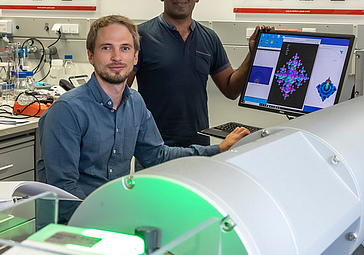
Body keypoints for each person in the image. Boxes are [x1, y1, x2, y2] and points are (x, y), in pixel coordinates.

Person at [36, 15, 249, 222]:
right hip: (68, 230)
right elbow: (63, 192)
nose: (117, 57)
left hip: (109, 216)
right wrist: (113, 225)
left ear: (136, 57)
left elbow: (157, 155)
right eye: (106, 48)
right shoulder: (67, 110)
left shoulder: (134, 103)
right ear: (91, 56)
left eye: (125, 48)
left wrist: (219, 149)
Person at [130, 0, 271, 147]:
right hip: (153, 147)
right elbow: (120, 91)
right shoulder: (139, 37)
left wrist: (252, 55)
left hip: (198, 147)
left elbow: (231, 89)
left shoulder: (209, 38)